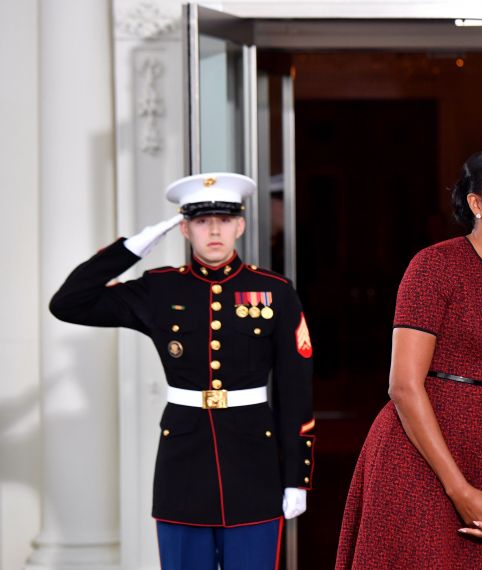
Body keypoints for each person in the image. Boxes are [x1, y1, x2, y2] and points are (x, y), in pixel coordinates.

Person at [49, 173, 315, 569]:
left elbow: (296, 389)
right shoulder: (159, 290)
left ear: (239, 225)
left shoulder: (275, 291)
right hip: (183, 464)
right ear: (184, 229)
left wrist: (297, 476)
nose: (214, 230)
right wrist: (134, 247)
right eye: (201, 221)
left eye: (224, 220)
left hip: (253, 465)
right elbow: (68, 303)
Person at [335, 149, 482, 569]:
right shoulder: (435, 266)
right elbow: (404, 384)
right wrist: (458, 489)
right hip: (419, 457)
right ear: (476, 204)